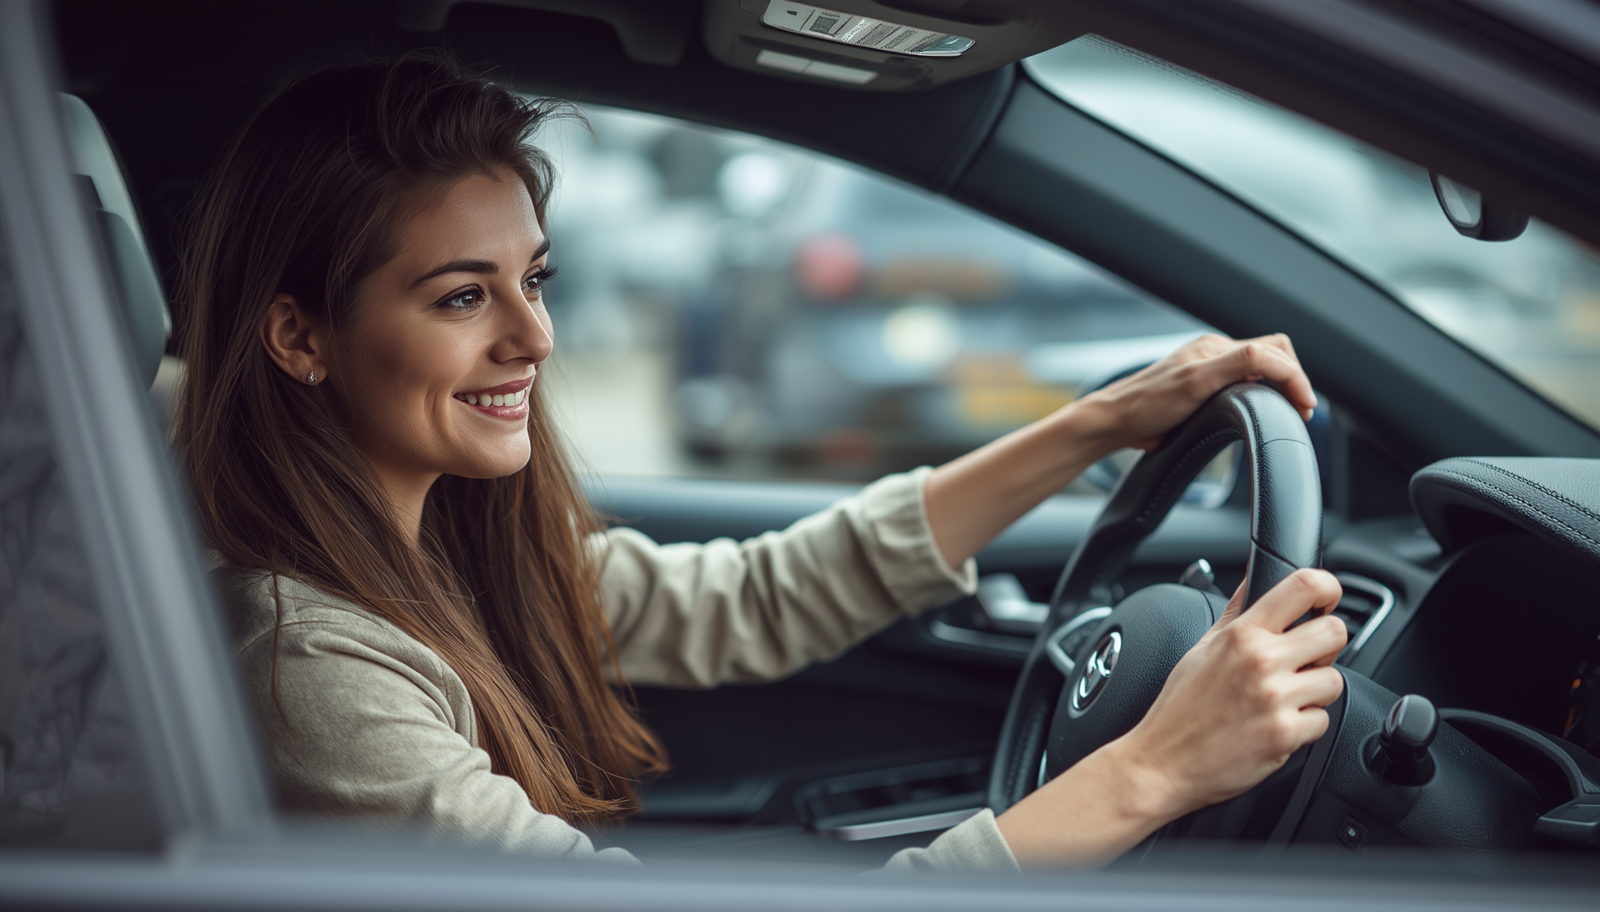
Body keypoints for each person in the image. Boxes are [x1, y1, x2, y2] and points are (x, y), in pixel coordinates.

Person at [173, 52, 1347, 872]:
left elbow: (756, 597)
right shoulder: (310, 665)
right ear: (299, 336)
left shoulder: (449, 543)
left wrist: (1099, 422)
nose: (532, 338)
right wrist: (1149, 772)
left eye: (534, 280)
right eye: (460, 296)